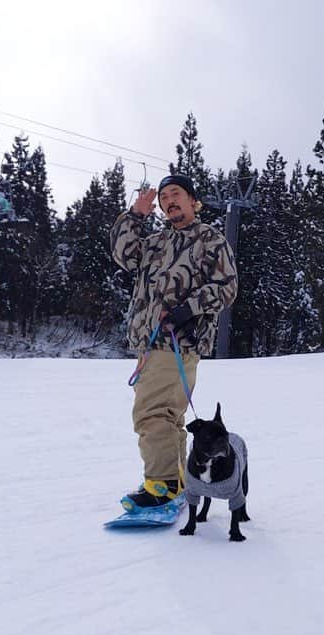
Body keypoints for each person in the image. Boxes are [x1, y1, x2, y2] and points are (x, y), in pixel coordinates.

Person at [110, 174, 238, 510]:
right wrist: (135, 215)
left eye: (176, 193)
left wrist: (187, 309)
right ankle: (177, 478)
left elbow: (227, 287)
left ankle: (163, 485)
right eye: (164, 196)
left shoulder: (210, 239)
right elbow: (124, 256)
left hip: (177, 344)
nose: (169, 200)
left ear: (193, 200)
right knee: (167, 416)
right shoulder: (154, 243)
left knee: (151, 414)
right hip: (149, 344)